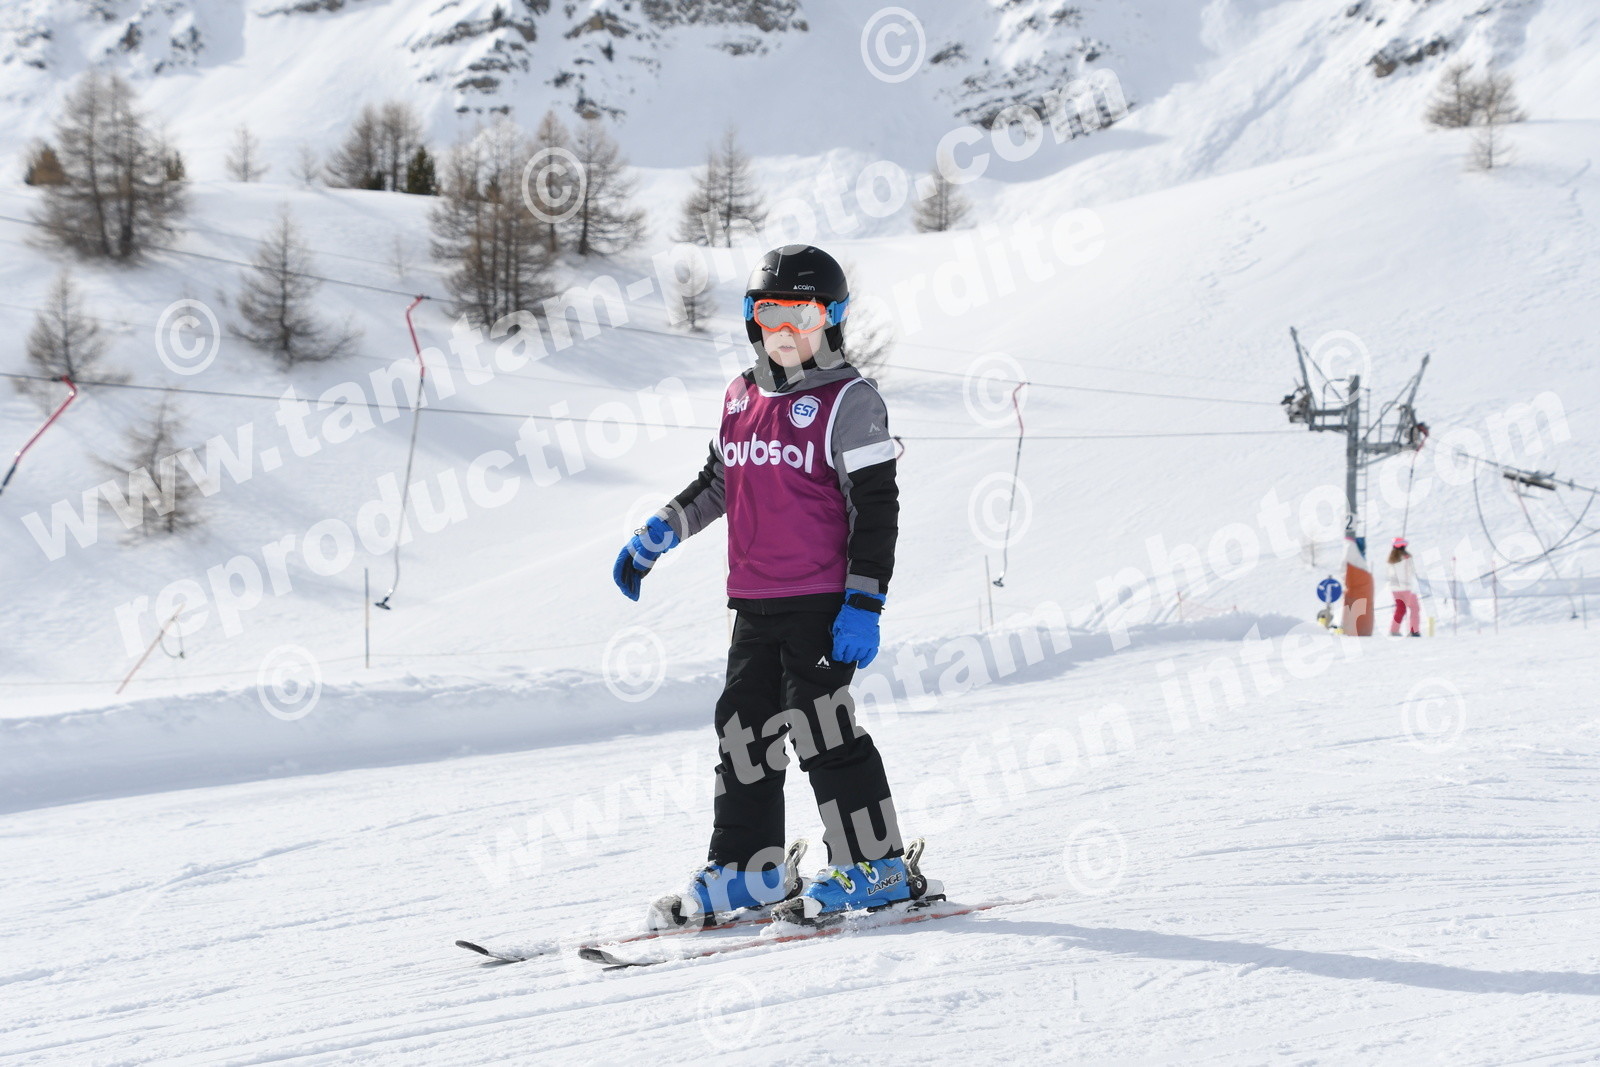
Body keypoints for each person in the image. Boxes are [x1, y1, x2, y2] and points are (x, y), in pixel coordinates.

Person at [612, 244, 929, 926]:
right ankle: (749, 869)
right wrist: (658, 533)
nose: (784, 330)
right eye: (769, 313)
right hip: (753, 601)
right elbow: (717, 483)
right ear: (752, 318)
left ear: (832, 319)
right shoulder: (741, 395)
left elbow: (876, 508)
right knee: (742, 730)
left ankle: (875, 865)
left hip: (824, 602)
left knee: (821, 728)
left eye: (802, 316)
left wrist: (864, 601)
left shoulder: (850, 401)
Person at [1388, 537, 1421, 637]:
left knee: (1400, 609)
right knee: (1414, 608)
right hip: (1407, 588)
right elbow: (1410, 572)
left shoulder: (1392, 559)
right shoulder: (1406, 557)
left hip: (1395, 588)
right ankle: (1414, 631)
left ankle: (1394, 630)